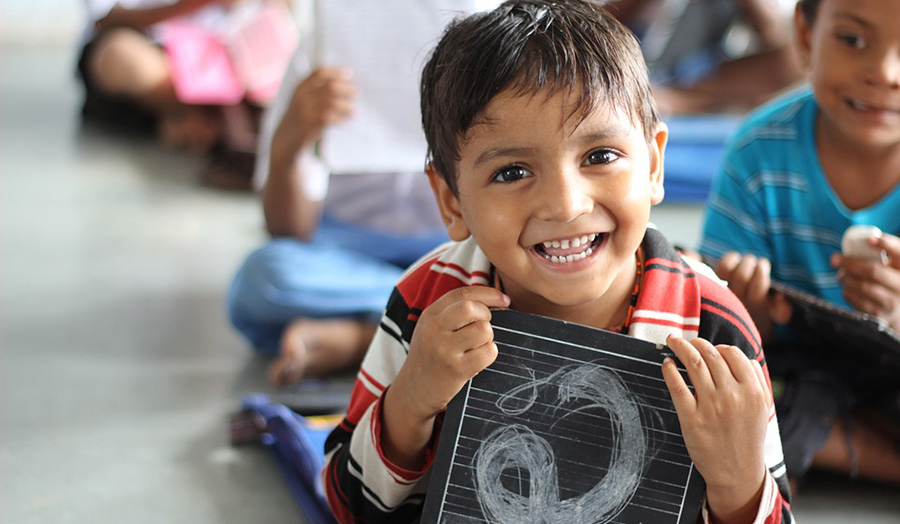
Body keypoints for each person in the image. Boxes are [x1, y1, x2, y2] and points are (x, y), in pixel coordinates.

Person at [321, 2, 793, 523]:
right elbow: (347, 504)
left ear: (654, 164)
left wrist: (738, 481)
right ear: (452, 202)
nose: (566, 205)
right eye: (512, 171)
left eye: (600, 156)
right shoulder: (429, 301)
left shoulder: (712, 325)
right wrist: (411, 401)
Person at [227, 1, 498, 385]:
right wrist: (290, 144)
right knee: (263, 278)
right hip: (346, 252)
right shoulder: (318, 53)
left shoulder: (491, 43)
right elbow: (287, 229)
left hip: (459, 246)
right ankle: (410, 325)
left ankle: (364, 336)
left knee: (521, 276)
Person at [698, 0, 900, 488]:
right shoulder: (757, 152)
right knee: (721, 404)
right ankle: (869, 450)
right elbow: (712, 319)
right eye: (852, 40)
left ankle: (846, 444)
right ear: (807, 36)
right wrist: (747, 314)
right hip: (799, 369)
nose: (885, 72)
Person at [78, 0, 236, 151]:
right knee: (120, 54)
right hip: (153, 53)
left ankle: (195, 119)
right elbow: (106, 19)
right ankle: (194, 115)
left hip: (220, 57)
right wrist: (187, 6)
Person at [608, 0, 804, 115]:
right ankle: (659, 97)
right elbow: (602, 21)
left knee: (794, 60)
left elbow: (776, 41)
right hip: (634, 62)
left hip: (697, 78)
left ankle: (678, 102)